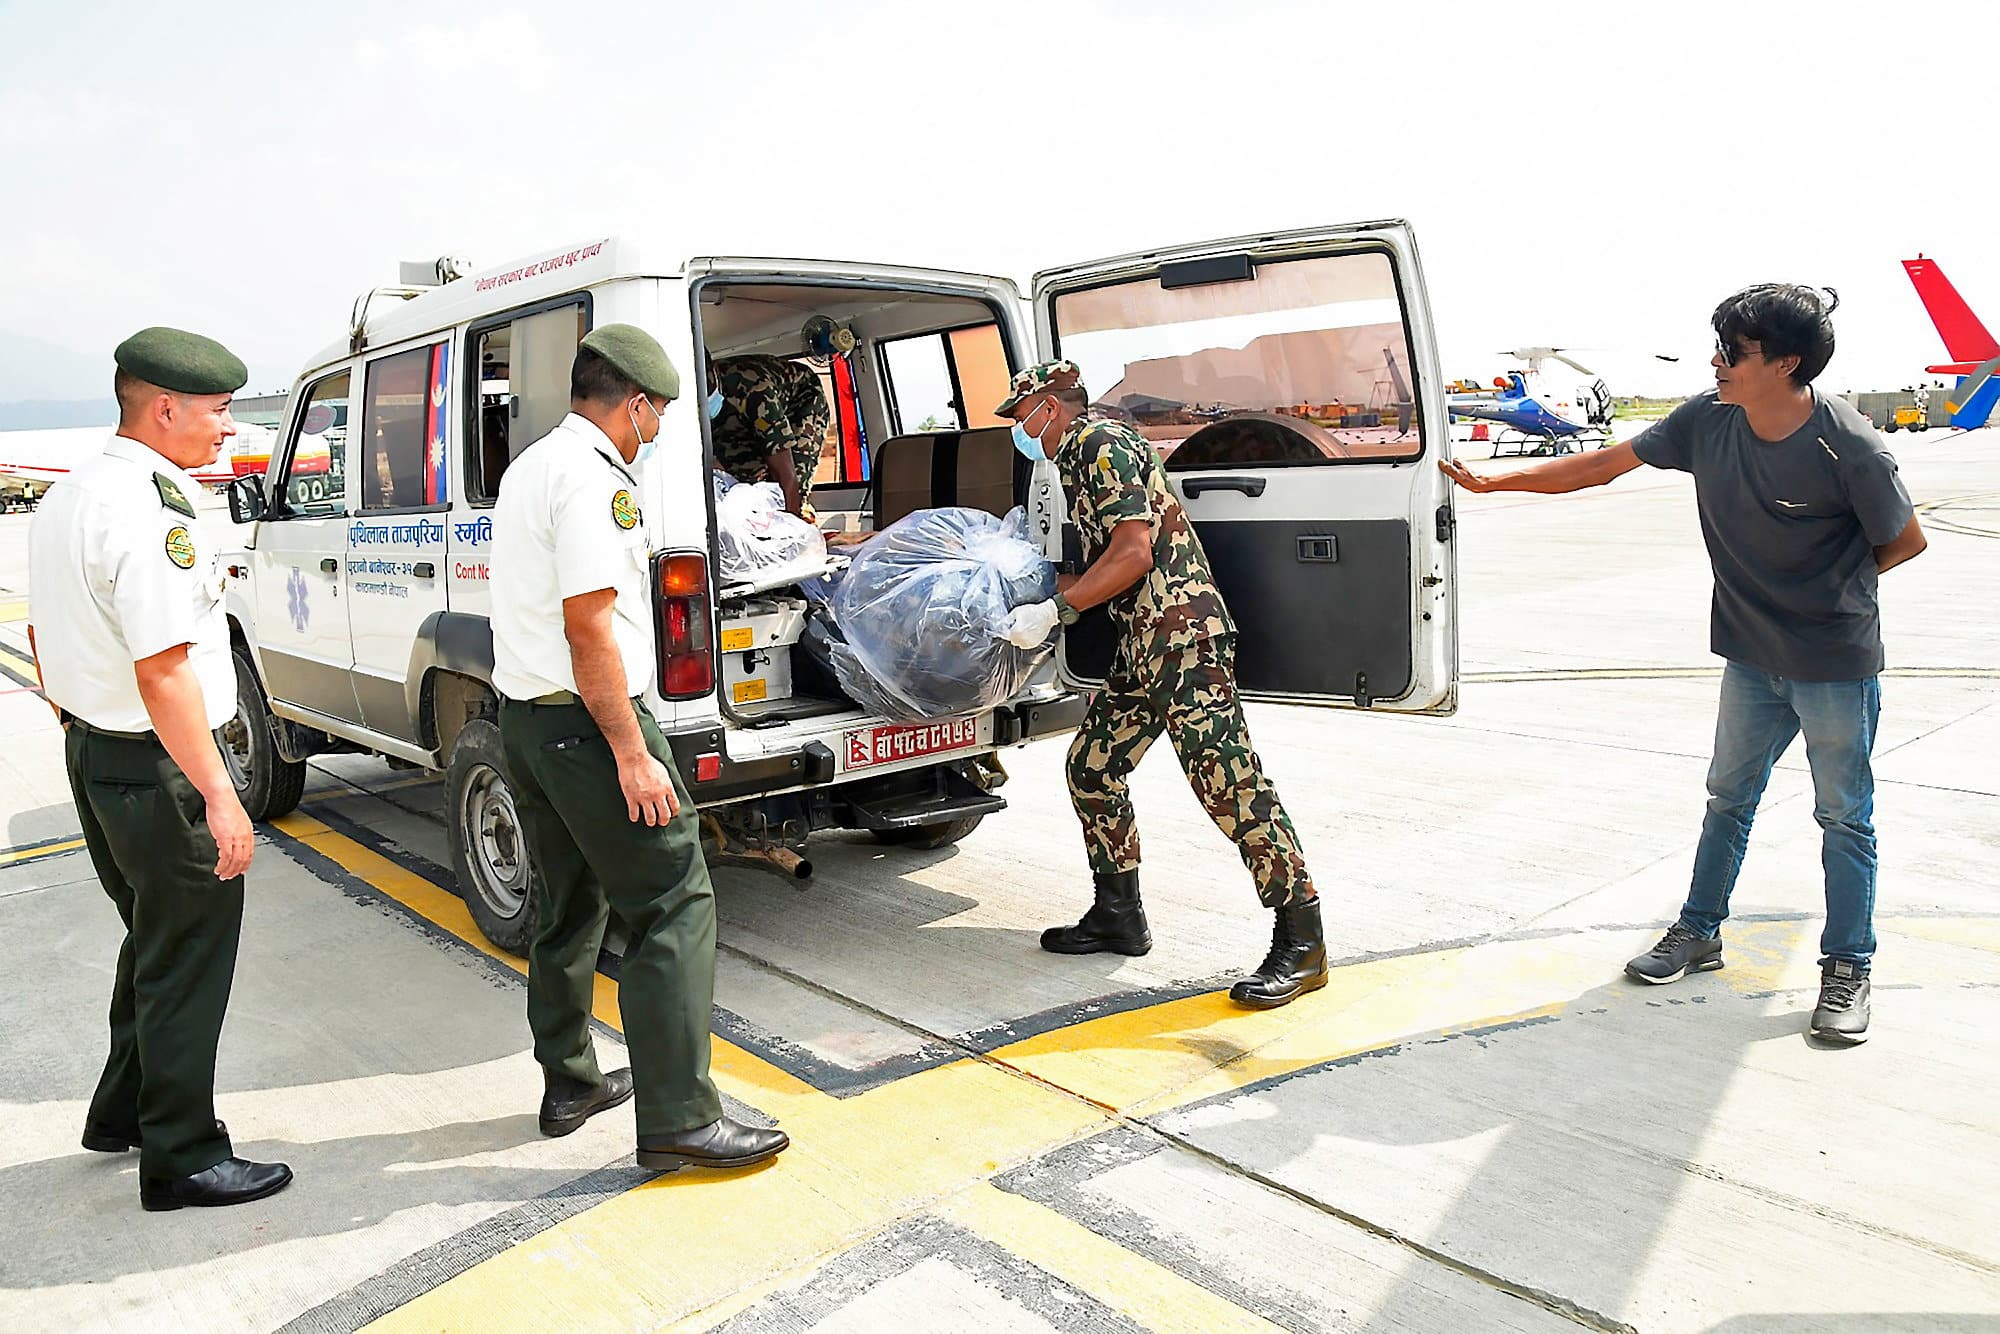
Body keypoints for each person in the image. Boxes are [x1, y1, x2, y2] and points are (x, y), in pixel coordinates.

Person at [1439, 284, 1927, 1043]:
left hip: (1833, 662)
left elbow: (1904, 541)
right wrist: (1496, 480)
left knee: (1843, 817)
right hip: (1750, 657)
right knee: (1727, 798)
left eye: (1733, 351)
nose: (1716, 362)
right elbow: (1604, 465)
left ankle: (1848, 968)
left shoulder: (1849, 446)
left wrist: (1823, 591)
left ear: (1787, 363)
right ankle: (1699, 933)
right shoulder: (1710, 418)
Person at [489, 324, 788, 1172]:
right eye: (656, 419)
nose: (655, 435)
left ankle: (570, 1081)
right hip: (590, 726)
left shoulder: (533, 465)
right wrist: (630, 751)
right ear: (637, 403)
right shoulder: (592, 480)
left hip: (529, 721)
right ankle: (679, 1118)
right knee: (673, 901)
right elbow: (590, 628)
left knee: (571, 902)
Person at [27, 327, 291, 1210]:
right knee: (187, 953)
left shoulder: (72, 495)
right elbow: (164, 667)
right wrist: (222, 793)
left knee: (154, 936)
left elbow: (47, 630)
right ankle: (181, 1155)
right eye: (219, 411)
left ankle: (123, 1109)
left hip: (99, 756)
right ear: (166, 407)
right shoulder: (148, 509)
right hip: (160, 767)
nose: (229, 428)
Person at [997, 360, 1327, 1009]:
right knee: (1092, 766)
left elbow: (1133, 553)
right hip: (1144, 647)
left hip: (1182, 639)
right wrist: (1024, 588)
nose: (1019, 429)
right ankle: (1118, 913)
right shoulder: (1072, 461)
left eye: (1021, 416)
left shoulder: (1100, 443)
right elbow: (1101, 566)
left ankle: (1303, 938)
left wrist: (1056, 612)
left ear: (1051, 408)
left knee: (1229, 784)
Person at [706, 353, 831, 519]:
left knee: (794, 480)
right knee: (740, 471)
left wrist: (789, 529)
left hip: (801, 402)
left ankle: (799, 521)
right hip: (737, 416)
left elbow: (785, 471)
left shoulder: (754, 388)